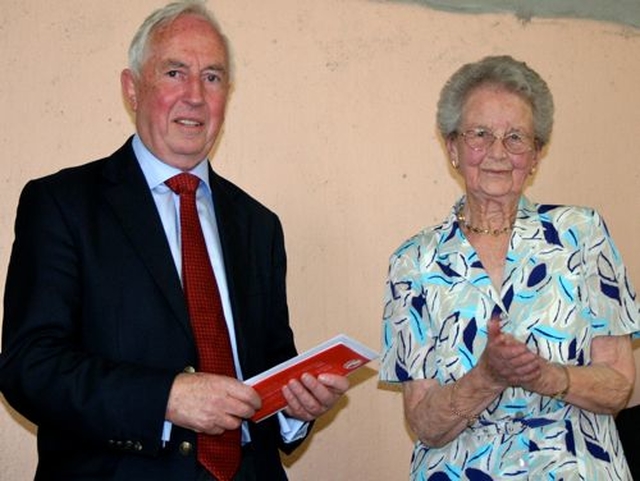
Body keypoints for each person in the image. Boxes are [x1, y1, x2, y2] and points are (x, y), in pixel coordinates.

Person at [0, 2, 349, 480]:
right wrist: (166, 398)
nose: (195, 96)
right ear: (132, 89)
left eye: (212, 77)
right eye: (174, 72)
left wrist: (295, 408)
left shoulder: (258, 226)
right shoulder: (62, 204)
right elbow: (30, 367)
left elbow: (270, 368)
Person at [379, 55, 640, 479]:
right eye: (480, 134)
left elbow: (618, 385)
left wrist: (548, 376)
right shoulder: (414, 262)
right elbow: (424, 423)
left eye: (517, 137)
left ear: (536, 154)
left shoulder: (582, 235)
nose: (498, 152)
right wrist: (486, 378)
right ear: (453, 148)